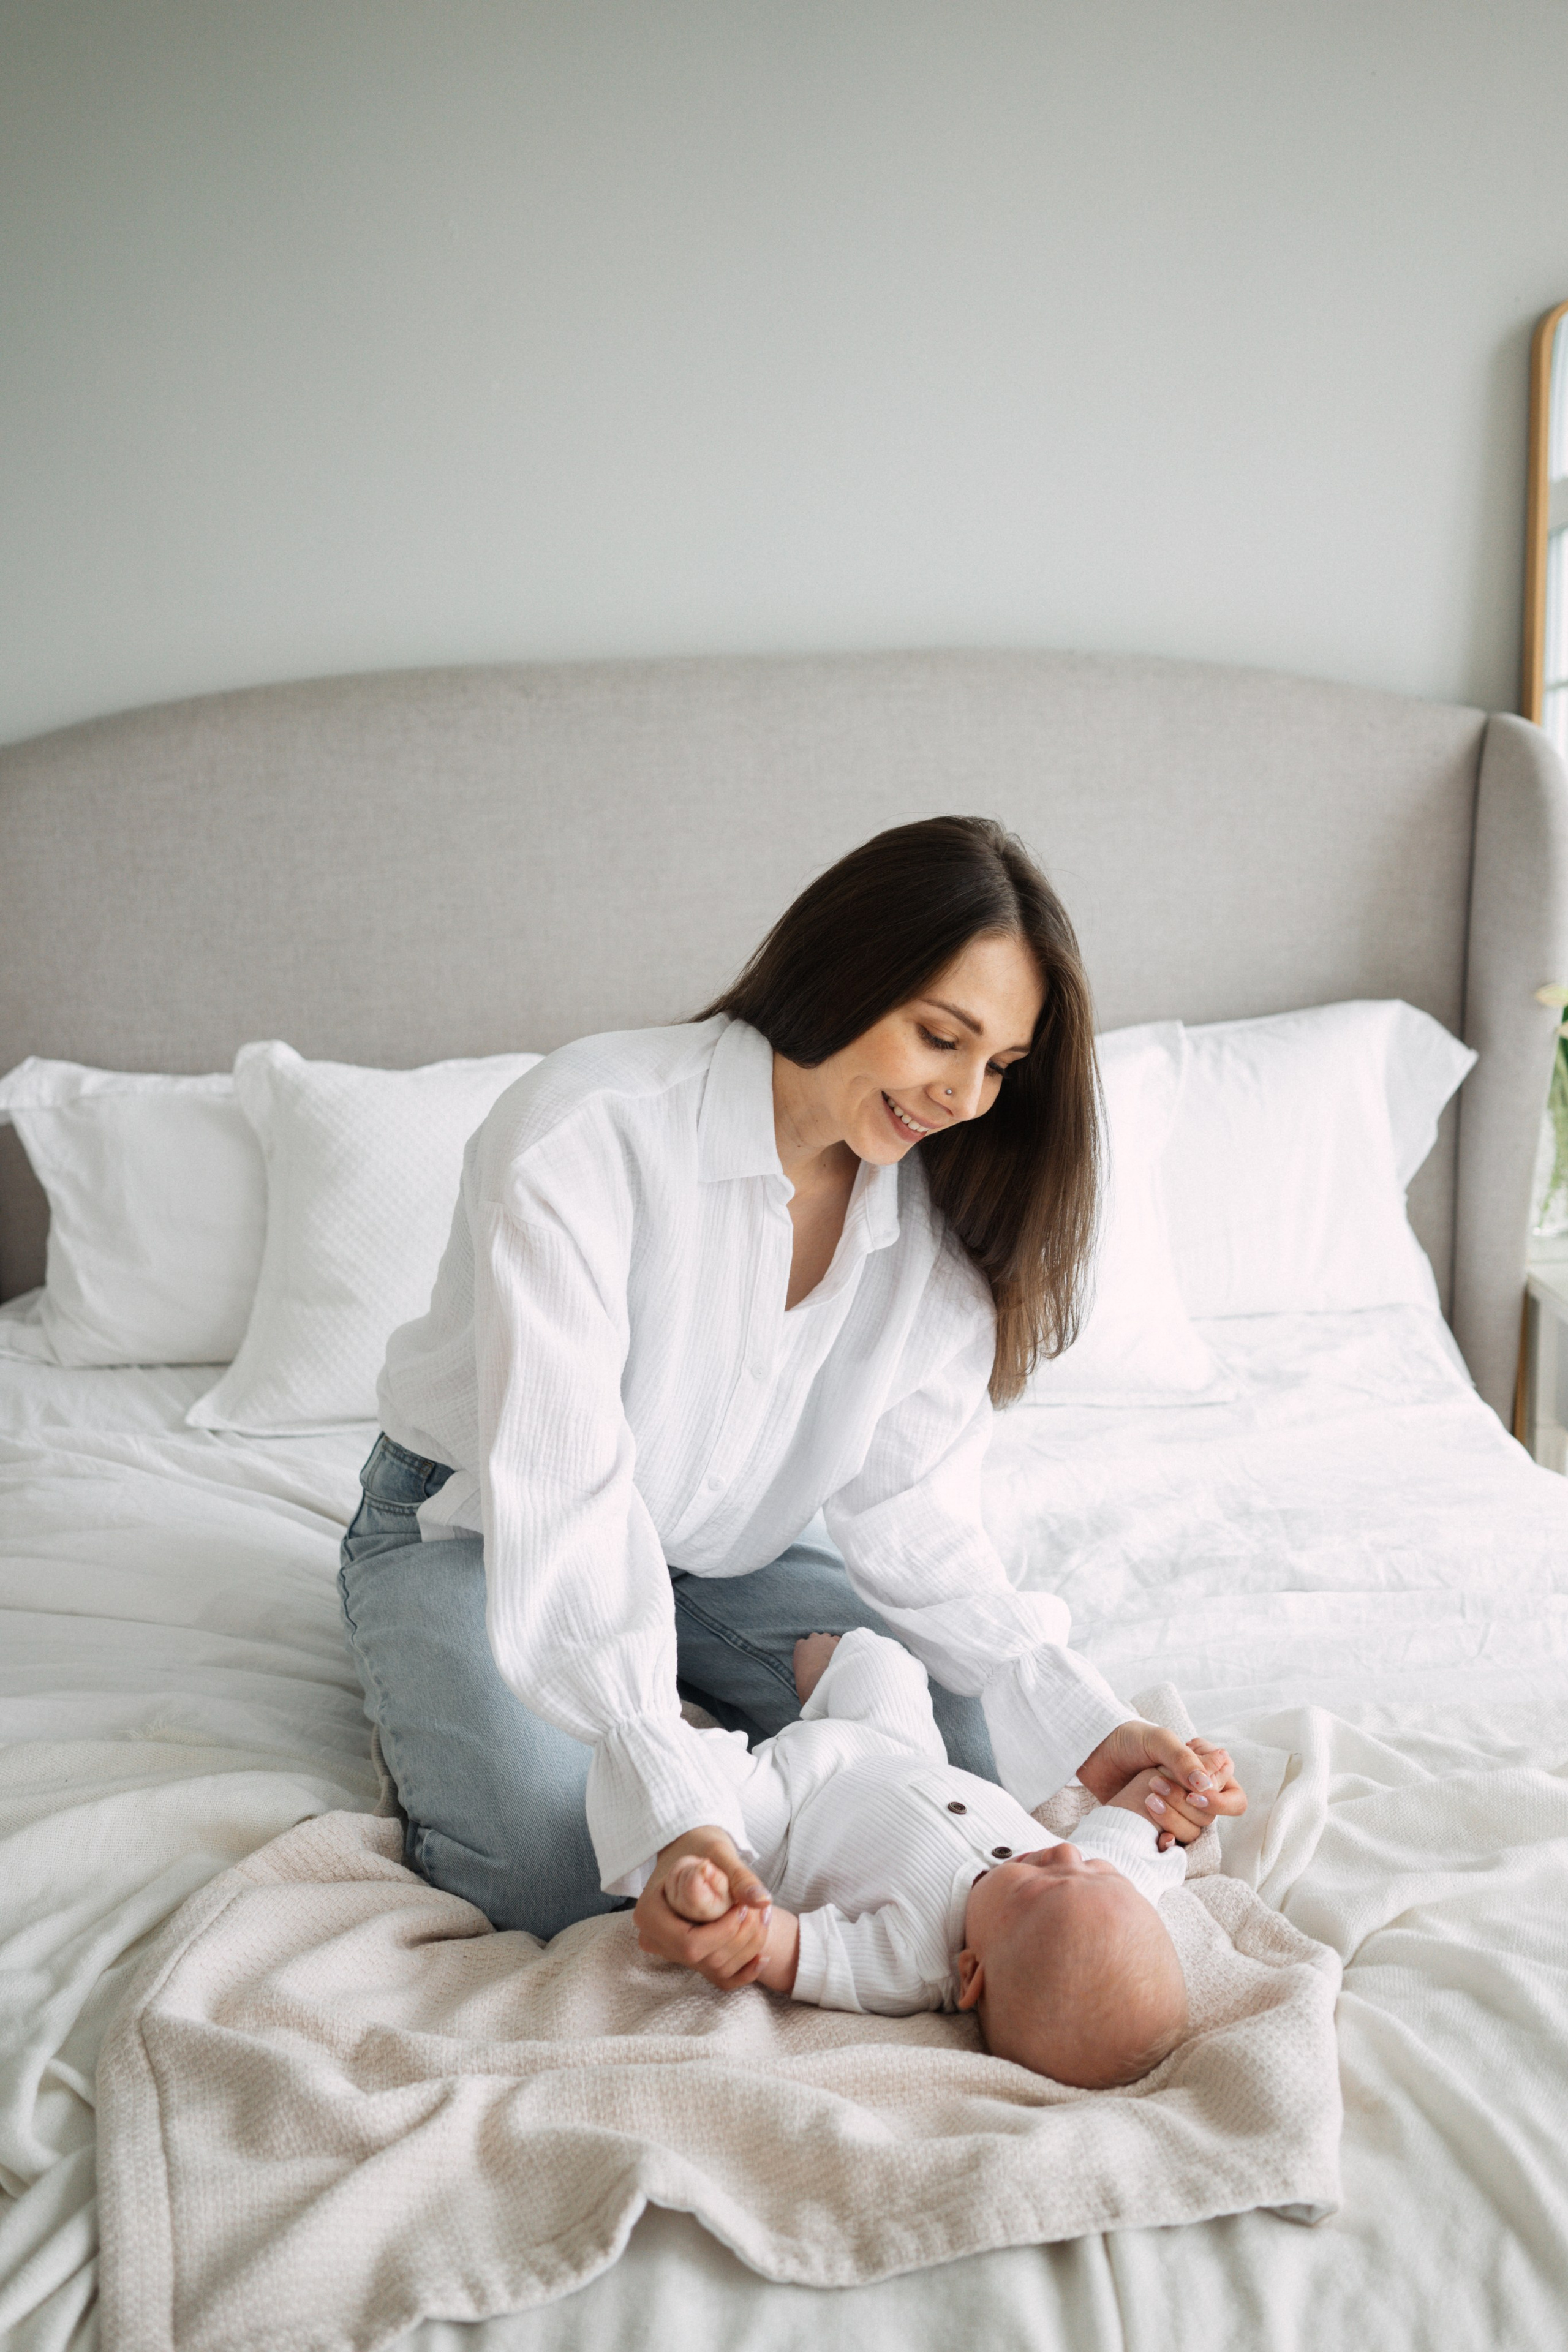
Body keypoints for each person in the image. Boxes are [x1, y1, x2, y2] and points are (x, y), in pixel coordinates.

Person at [340, 814, 1245, 1956]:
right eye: (939, 1037)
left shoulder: (938, 1204)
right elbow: (566, 1498)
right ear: (846, 970)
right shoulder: (583, 1135)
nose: (967, 1097)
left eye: (1001, 1067)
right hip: (480, 1522)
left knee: (970, 1765)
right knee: (567, 1871)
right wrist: (670, 1805)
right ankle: (457, 1689)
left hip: (729, 1545)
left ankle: (702, 1725)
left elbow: (909, 1510)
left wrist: (1092, 1725)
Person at [660, 1628, 1224, 2089]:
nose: (1063, 1851)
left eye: (1040, 1880)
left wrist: (732, 1917)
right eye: (1091, 1867)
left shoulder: (913, 1965)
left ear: (972, 1973)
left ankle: (654, 1716)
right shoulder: (1102, 1891)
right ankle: (826, 1686)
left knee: (683, 1777)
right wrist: (1186, 1781)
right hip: (895, 1748)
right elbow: (1138, 1818)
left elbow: (801, 1952)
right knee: (886, 1661)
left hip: (787, 1812)